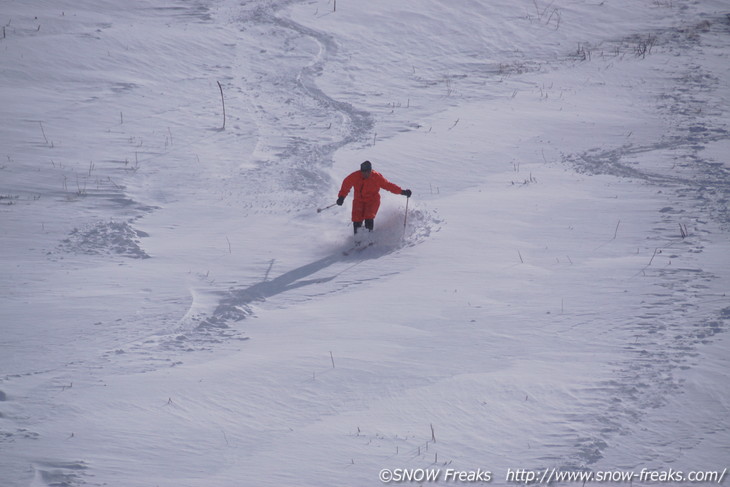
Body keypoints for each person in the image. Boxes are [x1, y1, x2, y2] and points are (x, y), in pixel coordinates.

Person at [336, 160, 412, 234]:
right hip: (358, 201)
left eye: (367, 172)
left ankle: (369, 237)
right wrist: (341, 197)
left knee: (369, 217)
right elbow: (346, 184)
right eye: (363, 172)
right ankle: (357, 240)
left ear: (370, 170)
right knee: (356, 219)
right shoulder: (355, 176)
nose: (365, 174)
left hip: (372, 201)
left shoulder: (376, 177)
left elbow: (388, 186)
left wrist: (402, 192)